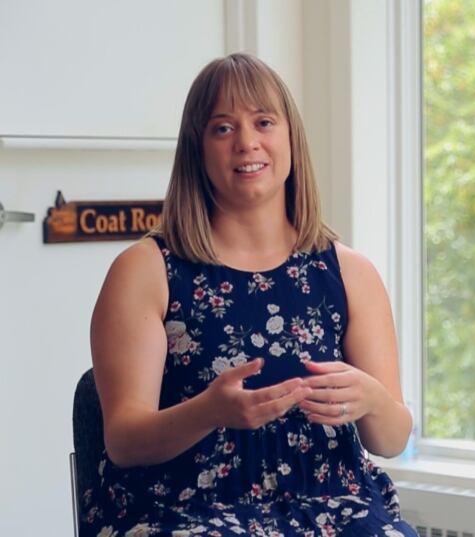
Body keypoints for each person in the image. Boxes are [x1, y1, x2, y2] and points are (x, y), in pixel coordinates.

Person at [81, 53, 417, 537]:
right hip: (184, 513)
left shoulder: (350, 273)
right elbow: (124, 442)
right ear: (197, 150)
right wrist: (209, 412)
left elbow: (390, 439)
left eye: (263, 122)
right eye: (222, 128)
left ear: (290, 140)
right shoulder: (146, 271)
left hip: (331, 508)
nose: (246, 142)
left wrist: (372, 400)